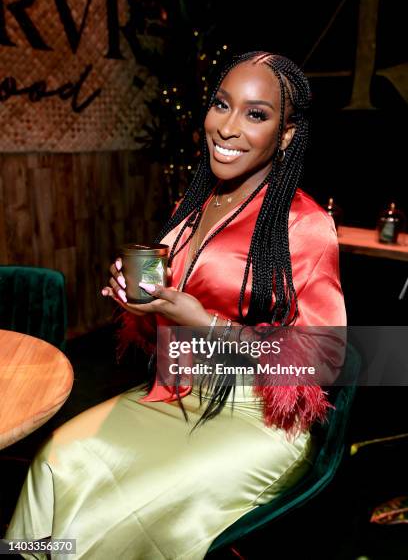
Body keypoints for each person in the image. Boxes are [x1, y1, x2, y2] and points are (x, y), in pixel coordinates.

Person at [6, 51, 346, 559]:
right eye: (221, 105)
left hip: (257, 420)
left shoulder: (306, 223)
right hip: (176, 392)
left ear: (288, 134)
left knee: (107, 521)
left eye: (256, 114)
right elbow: (170, 334)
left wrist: (204, 325)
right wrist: (148, 309)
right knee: (56, 460)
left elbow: (323, 361)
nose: (227, 128)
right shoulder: (193, 207)